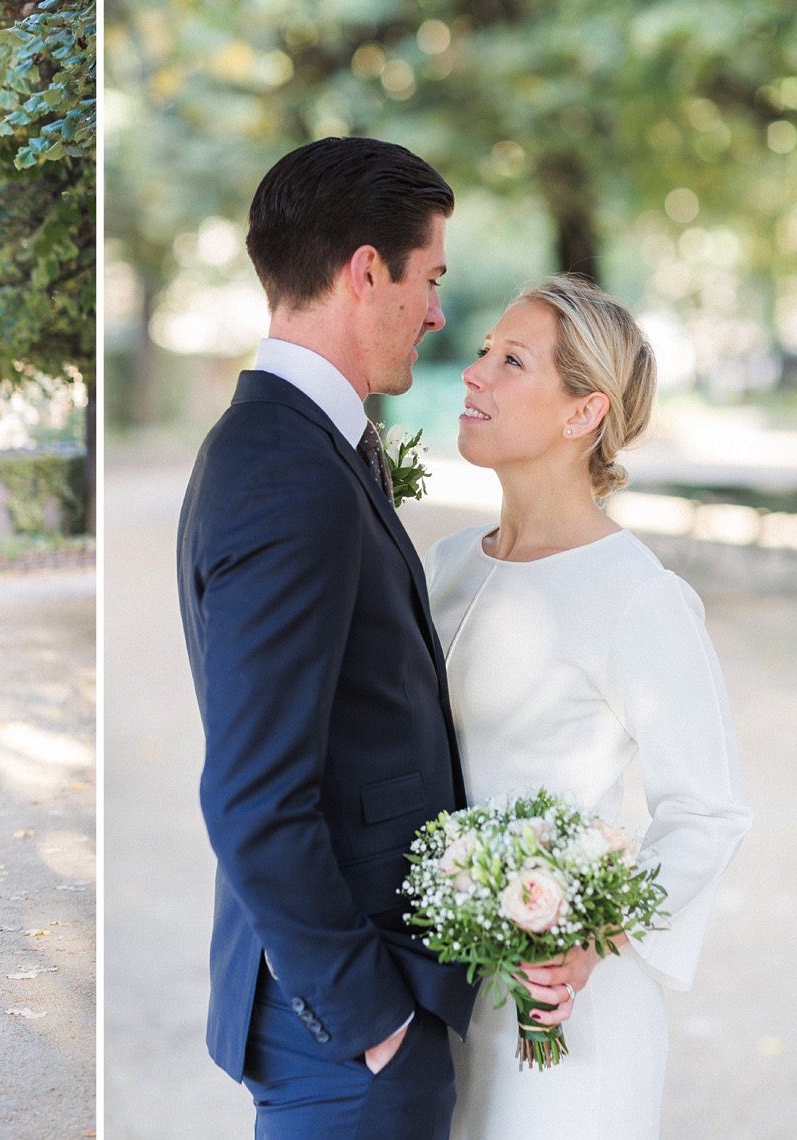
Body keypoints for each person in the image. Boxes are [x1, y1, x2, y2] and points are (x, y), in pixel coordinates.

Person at [176, 136, 478, 1138]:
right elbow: (251, 793)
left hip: (350, 1017)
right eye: (427, 277)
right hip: (343, 1036)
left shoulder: (296, 443)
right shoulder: (284, 470)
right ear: (364, 272)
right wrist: (373, 1023)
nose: (437, 312)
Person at [425, 274, 753, 1138]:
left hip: (564, 1014)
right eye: (484, 351)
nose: (474, 373)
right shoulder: (446, 565)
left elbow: (709, 810)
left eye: (512, 360)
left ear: (583, 414)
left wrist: (593, 938)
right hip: (442, 990)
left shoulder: (640, 597)